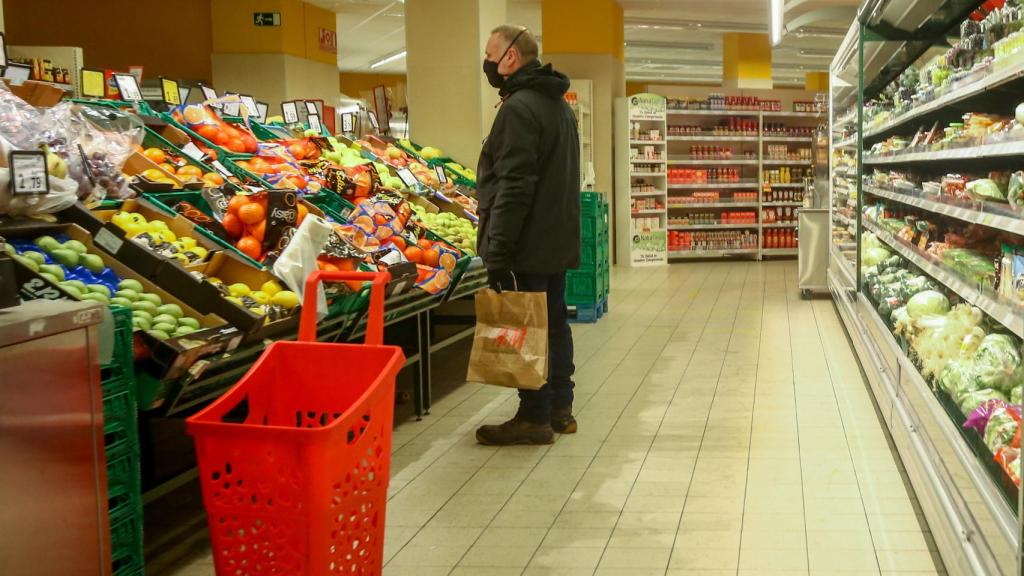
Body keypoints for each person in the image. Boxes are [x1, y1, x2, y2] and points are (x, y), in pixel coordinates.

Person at [474, 25, 581, 446]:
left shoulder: (519, 109)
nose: (486, 63)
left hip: (527, 241)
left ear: (511, 58)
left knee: (527, 328)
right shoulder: (558, 106)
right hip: (554, 239)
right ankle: (559, 409)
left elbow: (514, 184)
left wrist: (499, 248)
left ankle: (533, 416)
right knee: (553, 324)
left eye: (490, 54)